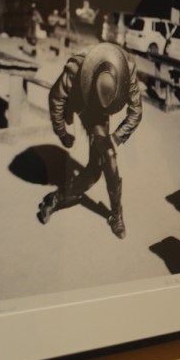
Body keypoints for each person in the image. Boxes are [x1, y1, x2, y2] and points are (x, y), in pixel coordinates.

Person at [37, 42, 142, 239]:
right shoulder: (77, 66)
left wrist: (116, 138)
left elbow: (136, 112)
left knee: (104, 160)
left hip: (101, 107)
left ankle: (116, 215)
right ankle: (56, 199)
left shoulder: (128, 68)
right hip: (80, 98)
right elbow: (56, 98)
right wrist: (62, 133)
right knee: (103, 158)